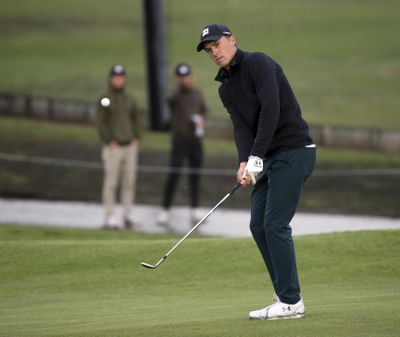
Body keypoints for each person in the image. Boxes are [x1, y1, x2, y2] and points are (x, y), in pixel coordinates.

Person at [197, 24, 316, 320]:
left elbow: (270, 110)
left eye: (217, 45)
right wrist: (243, 162)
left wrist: (255, 157)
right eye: (209, 50)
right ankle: (284, 293)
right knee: (258, 225)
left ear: (232, 40)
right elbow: (242, 127)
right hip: (266, 156)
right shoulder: (225, 88)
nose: (214, 52)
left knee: (275, 224)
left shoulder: (258, 63)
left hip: (294, 149)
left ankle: (291, 301)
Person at [157, 63, 208, 227]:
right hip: (179, 141)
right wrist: (178, 85)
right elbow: (168, 99)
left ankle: (195, 210)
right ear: (178, 78)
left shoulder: (197, 93)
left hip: (196, 141)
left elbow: (204, 111)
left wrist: (202, 119)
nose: (186, 80)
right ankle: (165, 210)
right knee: (173, 176)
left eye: (187, 76)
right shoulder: (176, 94)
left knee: (195, 176)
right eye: (182, 77)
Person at [96, 64, 141, 230]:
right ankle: (110, 217)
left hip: (130, 145)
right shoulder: (105, 99)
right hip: (113, 147)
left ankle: (127, 215)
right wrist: (108, 139)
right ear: (111, 78)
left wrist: (137, 137)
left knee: (129, 181)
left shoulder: (129, 98)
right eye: (116, 77)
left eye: (121, 77)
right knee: (111, 182)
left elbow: (136, 118)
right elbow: (101, 123)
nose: (119, 80)